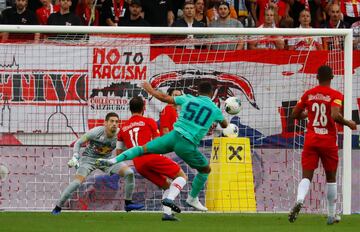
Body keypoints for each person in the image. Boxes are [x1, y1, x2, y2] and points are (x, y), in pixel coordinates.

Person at [96, 81, 229, 212]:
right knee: (202, 170)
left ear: (197, 92)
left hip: (170, 138)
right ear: (211, 94)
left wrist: (150, 90)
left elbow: (164, 98)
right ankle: (190, 198)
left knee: (143, 149)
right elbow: (224, 125)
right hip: (186, 144)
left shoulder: (188, 98)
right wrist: (228, 115)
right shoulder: (215, 109)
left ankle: (113, 161)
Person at [288, 65, 357, 225]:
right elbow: (334, 115)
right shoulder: (336, 95)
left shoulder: (308, 94)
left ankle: (299, 200)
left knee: (307, 176)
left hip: (311, 139)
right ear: (332, 78)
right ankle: (331, 215)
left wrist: (306, 114)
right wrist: (349, 123)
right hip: (328, 141)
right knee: (331, 178)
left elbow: (294, 115)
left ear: (317, 77)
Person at [51, 112, 144, 215]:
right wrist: (75, 155)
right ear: (105, 123)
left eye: (116, 122)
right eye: (112, 121)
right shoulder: (96, 132)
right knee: (77, 183)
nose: (114, 124)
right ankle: (58, 207)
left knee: (129, 173)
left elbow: (127, 148)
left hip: (106, 160)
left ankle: (128, 203)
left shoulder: (120, 134)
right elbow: (78, 142)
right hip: (88, 160)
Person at [117, 96, 187, 221]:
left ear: (130, 109)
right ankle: (169, 199)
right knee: (182, 176)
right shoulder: (149, 121)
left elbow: (119, 152)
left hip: (138, 164)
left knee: (167, 185)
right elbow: (158, 142)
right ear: (144, 108)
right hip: (151, 157)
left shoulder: (123, 128)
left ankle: (167, 214)